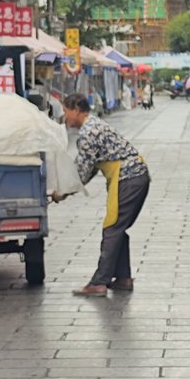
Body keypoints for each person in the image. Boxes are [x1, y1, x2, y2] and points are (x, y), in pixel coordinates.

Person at [52, 91, 149, 298]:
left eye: (67, 112)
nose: (65, 118)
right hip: (135, 176)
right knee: (117, 227)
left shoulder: (88, 132)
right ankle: (123, 278)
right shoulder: (95, 125)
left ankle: (99, 282)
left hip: (128, 178)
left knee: (112, 227)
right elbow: (91, 168)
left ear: (77, 110)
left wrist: (62, 192)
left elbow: (83, 170)